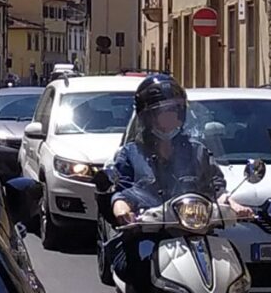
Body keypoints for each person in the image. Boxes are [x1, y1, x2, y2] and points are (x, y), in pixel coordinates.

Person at [105, 74, 252, 291]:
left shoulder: (196, 151)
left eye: (174, 111)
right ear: (147, 117)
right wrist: (121, 208)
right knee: (138, 268)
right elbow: (120, 189)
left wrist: (233, 205)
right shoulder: (130, 154)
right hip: (148, 235)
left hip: (196, 232)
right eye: (162, 113)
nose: (170, 118)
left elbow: (215, 186)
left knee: (232, 266)